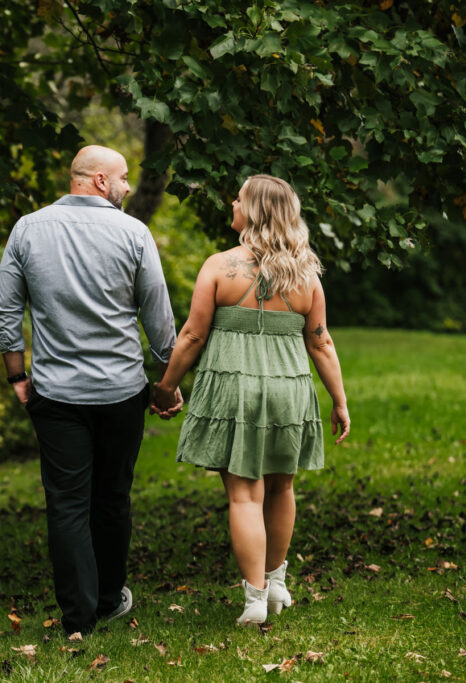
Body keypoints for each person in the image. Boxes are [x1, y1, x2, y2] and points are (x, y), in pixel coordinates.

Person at [0, 145, 180, 636]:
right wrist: (166, 385)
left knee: (67, 503)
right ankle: (108, 598)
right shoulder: (134, 233)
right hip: (121, 391)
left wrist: (17, 376)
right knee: (113, 496)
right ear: (98, 180)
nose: (126, 188)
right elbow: (159, 321)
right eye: (121, 179)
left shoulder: (27, 229)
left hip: (55, 394)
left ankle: (78, 618)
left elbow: (6, 311)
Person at [153, 174, 350, 625]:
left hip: (236, 388)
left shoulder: (219, 267)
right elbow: (321, 342)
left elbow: (192, 335)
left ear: (255, 210)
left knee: (244, 495)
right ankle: (277, 580)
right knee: (283, 486)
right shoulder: (306, 274)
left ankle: (255, 598)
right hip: (290, 388)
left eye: (239, 198)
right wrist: (339, 400)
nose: (232, 203)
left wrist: (165, 386)